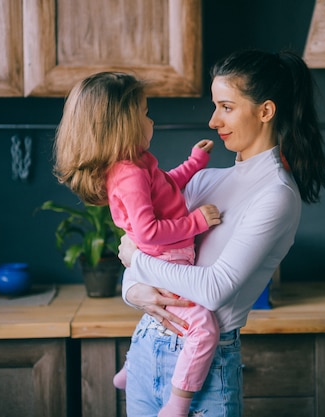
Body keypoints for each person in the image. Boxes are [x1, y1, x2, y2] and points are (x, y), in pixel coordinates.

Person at [117, 49, 325, 417]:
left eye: (226, 107)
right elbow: (140, 262)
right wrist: (135, 292)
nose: (214, 121)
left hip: (204, 368)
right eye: (215, 107)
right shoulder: (204, 180)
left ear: (265, 111)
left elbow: (213, 289)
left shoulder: (276, 195)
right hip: (146, 347)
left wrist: (137, 260)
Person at [52, 71, 222, 417]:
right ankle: (178, 404)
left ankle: (130, 370)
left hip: (164, 257)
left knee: (154, 317)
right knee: (204, 328)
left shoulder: (137, 165)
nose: (151, 120)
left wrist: (194, 163)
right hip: (167, 259)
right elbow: (147, 232)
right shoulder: (128, 173)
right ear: (123, 125)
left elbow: (165, 190)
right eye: (145, 113)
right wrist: (197, 222)